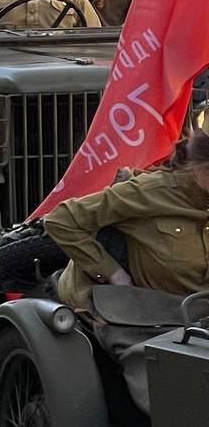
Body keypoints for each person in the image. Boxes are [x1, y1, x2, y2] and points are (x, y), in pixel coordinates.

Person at [45, 131, 209, 411]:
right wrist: (111, 272)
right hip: (144, 316)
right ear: (203, 170)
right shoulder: (151, 191)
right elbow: (62, 220)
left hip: (200, 312)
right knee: (174, 386)